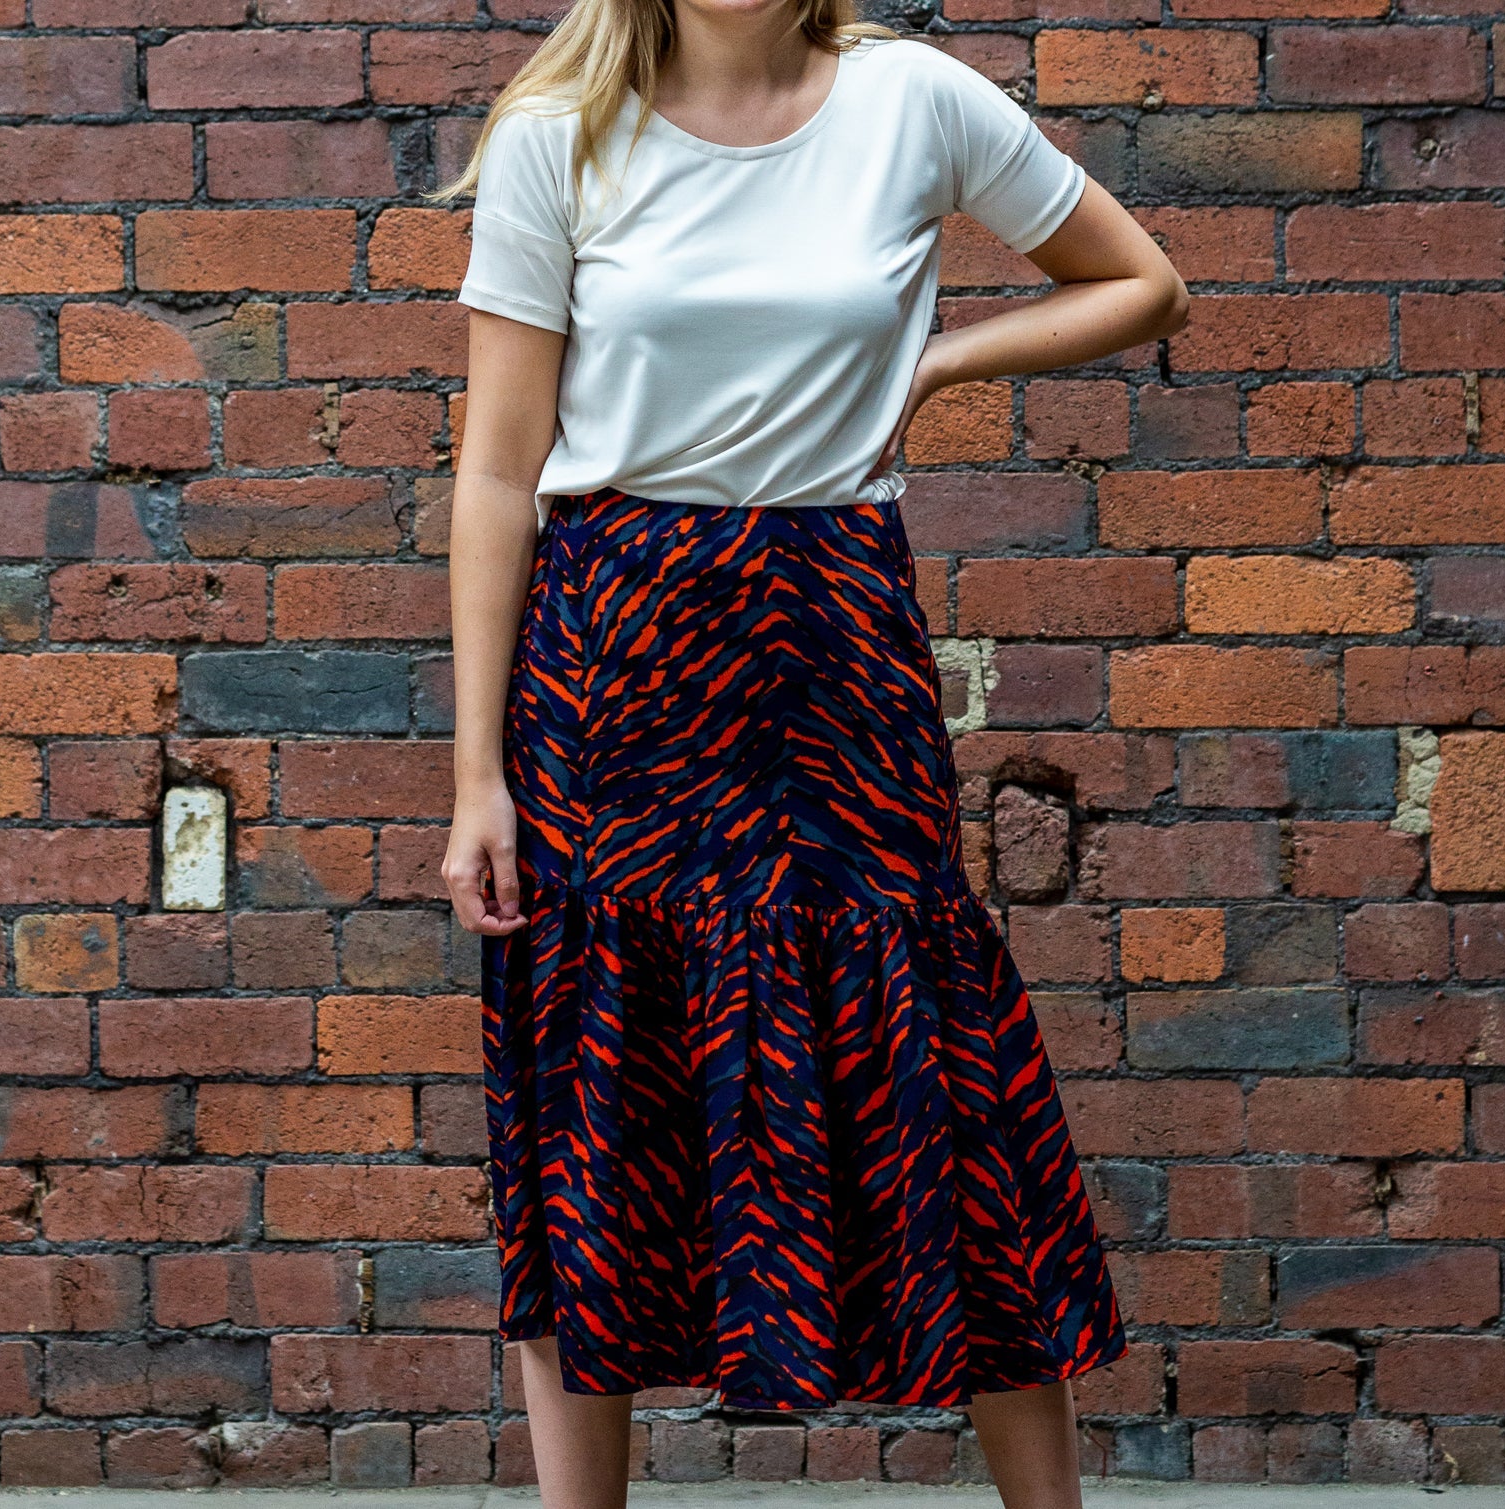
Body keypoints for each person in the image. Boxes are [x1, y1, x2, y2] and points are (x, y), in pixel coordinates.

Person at [429, 0, 1189, 1498]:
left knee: (939, 1074)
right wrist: (476, 777)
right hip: (617, 656)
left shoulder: (915, 102)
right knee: (597, 1090)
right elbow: (500, 470)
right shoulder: (555, 137)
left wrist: (939, 365)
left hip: (838, 637)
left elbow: (1142, 283)